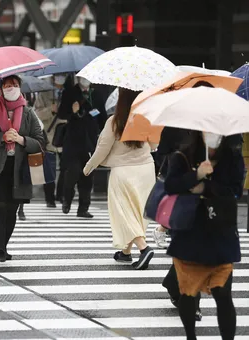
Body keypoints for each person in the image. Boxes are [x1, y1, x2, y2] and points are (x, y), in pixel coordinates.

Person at [164, 131, 244, 340]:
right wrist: (196, 175)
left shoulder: (232, 157)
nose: (213, 134)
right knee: (188, 294)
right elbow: (171, 186)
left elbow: (235, 190)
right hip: (190, 235)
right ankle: (191, 336)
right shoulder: (183, 156)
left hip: (221, 234)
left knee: (223, 294)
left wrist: (206, 186)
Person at [0, 75, 45, 262]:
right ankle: (0, 248)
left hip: (18, 169)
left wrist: (21, 140)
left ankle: (5, 244)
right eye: (7, 85)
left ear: (20, 88)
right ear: (0, 89)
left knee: (12, 209)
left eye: (14, 85)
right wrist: (2, 138)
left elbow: (40, 142)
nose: (10, 88)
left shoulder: (28, 113)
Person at [83, 88, 156, 270]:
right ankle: (125, 253)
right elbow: (155, 145)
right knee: (137, 211)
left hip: (123, 171)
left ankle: (144, 248)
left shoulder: (114, 121)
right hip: (146, 170)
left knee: (123, 211)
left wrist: (89, 166)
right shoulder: (146, 118)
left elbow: (102, 148)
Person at [59, 75, 104, 218]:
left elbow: (102, 116)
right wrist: (72, 111)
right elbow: (61, 113)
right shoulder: (70, 92)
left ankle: (83, 208)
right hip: (72, 140)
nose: (86, 80)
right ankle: (67, 199)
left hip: (90, 140)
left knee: (87, 175)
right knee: (72, 172)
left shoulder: (96, 94)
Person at [34, 74, 68, 207]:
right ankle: (49, 198)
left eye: (64, 76)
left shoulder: (69, 93)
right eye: (59, 76)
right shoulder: (44, 94)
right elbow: (37, 113)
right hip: (49, 136)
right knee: (49, 168)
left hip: (65, 135)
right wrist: (50, 110)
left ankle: (61, 195)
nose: (61, 78)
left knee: (66, 168)